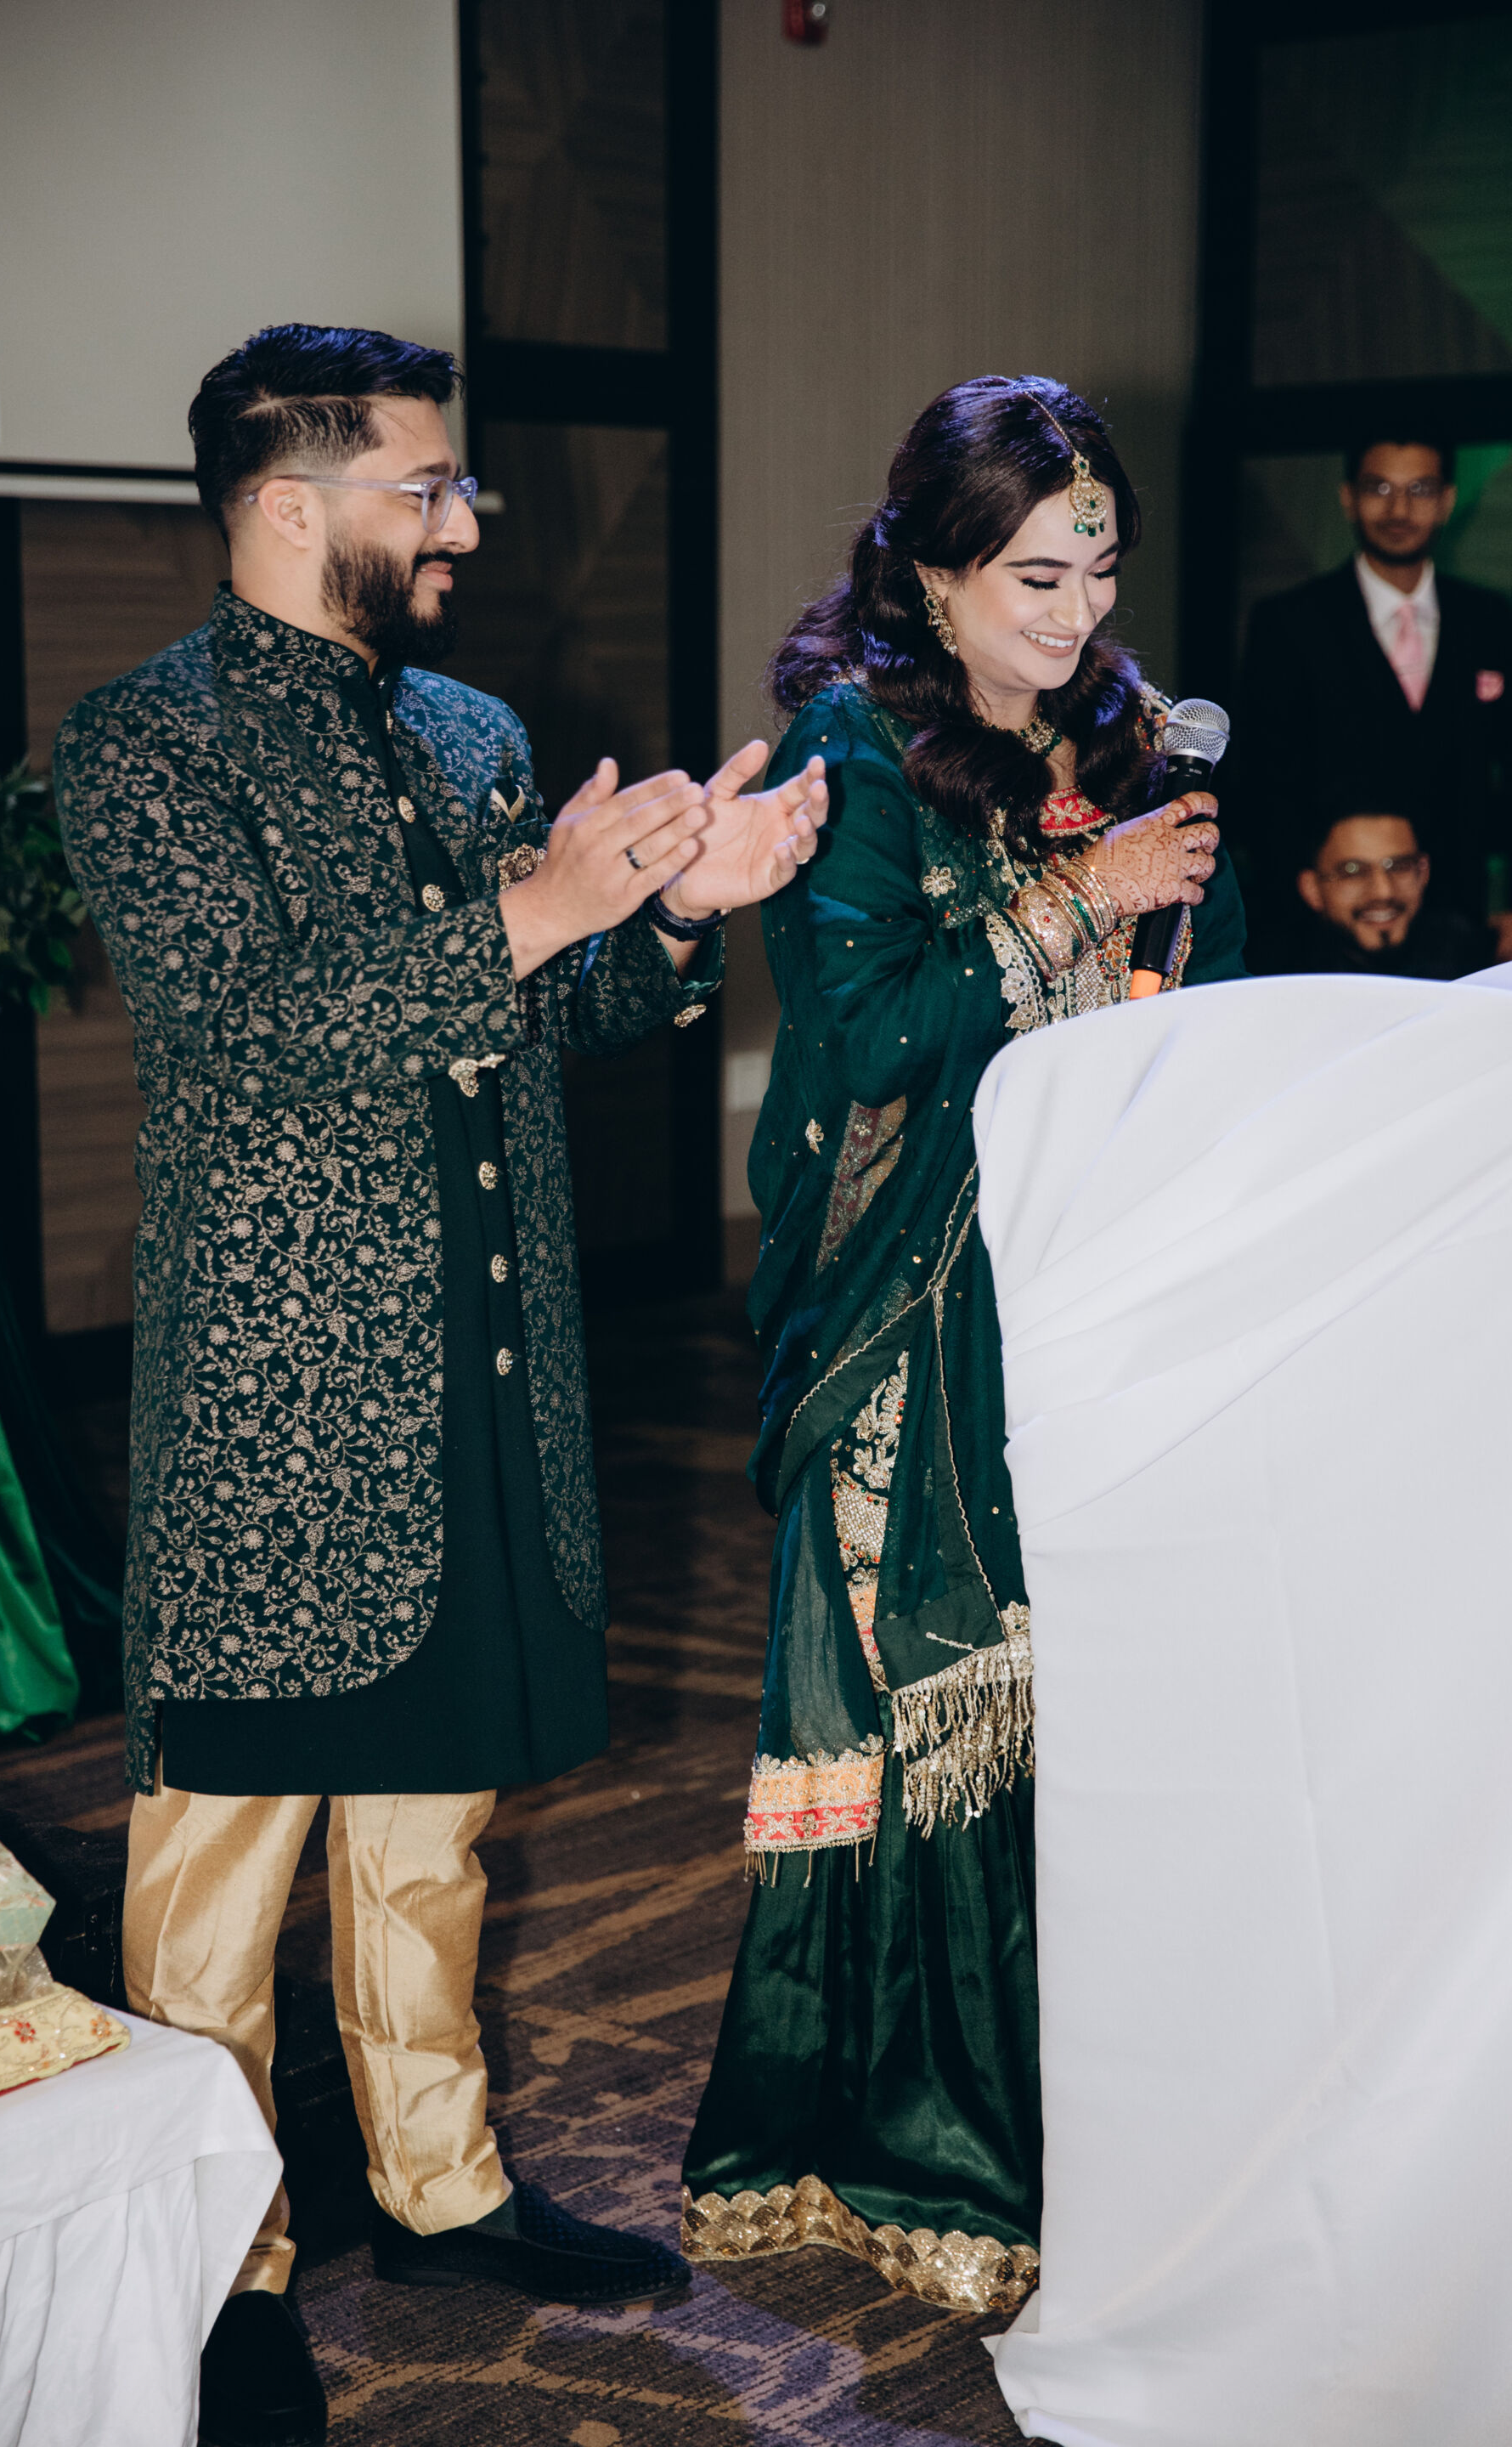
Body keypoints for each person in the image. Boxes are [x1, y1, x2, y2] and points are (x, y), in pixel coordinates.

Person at [50, 322, 827, 2447]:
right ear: (285, 506)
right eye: (428, 484)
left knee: (431, 1823)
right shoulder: (145, 742)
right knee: (218, 1874)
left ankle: (443, 2179)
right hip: (281, 1395)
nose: (465, 517)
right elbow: (241, 1022)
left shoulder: (471, 725)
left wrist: (668, 920)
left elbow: (553, 1007)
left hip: (482, 1358)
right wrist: (539, 905)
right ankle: (215, 2255)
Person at [680, 376, 1246, 2313]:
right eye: (1034, 576)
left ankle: (1104, 2115)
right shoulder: (852, 750)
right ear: (932, 573)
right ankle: (926, 2151)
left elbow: (1197, 986)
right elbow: (862, 1035)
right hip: (921, 1324)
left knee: (1107, 1715)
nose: (1078, 613)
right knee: (947, 1714)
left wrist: (1166, 934)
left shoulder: (1125, 737)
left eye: (1099, 569)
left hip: (1101, 1297)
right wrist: (1079, 895)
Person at [1230, 435, 1512, 952]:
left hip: (1461, 919)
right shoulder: (1288, 623)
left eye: (1419, 489)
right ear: (1348, 497)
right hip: (1320, 927)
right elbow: (1265, 785)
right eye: (1379, 488)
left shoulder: (1491, 620)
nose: (1399, 509)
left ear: (1447, 500)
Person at [1250, 805, 1495, 980]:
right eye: (1353, 871)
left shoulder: (1478, 962)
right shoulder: (1276, 982)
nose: (1383, 892)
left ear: (1423, 873)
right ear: (1312, 889)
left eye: (1399, 866)